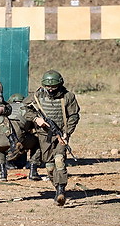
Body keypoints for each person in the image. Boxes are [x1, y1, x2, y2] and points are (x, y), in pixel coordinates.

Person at [23, 70, 80, 206]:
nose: (50, 90)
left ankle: (61, 190)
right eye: (47, 87)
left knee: (59, 160)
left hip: (60, 134)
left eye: (53, 87)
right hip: (44, 135)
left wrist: (67, 133)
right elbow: (23, 108)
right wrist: (36, 119)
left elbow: (74, 116)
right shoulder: (37, 95)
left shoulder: (68, 96)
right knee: (49, 166)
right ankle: (57, 188)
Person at [0, 93, 42, 182]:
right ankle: (33, 172)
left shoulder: (5, 108)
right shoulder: (28, 109)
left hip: (2, 138)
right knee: (37, 142)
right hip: (18, 138)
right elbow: (34, 126)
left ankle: (2, 174)